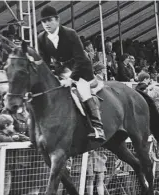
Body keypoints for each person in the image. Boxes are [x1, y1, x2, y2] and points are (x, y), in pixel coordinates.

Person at [37, 5, 105, 140]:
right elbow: (44, 62)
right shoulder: (41, 38)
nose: (46, 24)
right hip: (60, 70)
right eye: (44, 22)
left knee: (83, 90)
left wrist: (71, 79)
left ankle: (98, 127)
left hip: (80, 69)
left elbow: (80, 58)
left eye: (49, 20)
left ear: (57, 20)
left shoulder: (70, 33)